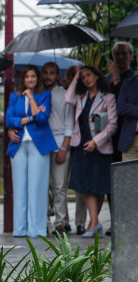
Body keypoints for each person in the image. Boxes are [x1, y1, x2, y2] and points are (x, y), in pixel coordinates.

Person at [65, 65, 117, 237]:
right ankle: (94, 223)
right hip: (81, 145)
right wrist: (75, 77)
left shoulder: (108, 97)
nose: (86, 79)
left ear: (96, 75)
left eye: (89, 75)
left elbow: (112, 124)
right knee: (86, 186)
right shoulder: (80, 97)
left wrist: (96, 141)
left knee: (99, 186)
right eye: (83, 77)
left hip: (100, 147)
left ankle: (94, 223)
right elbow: (67, 96)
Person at [6, 66, 57, 238]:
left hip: (39, 145)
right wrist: (29, 118)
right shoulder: (14, 96)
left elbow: (42, 119)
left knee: (37, 188)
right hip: (18, 144)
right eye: (27, 76)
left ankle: (37, 230)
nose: (30, 79)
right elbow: (8, 119)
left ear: (38, 78)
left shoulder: (45, 95)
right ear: (23, 79)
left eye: (33, 76)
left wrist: (31, 99)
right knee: (19, 189)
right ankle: (20, 229)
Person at [40, 62, 75, 236]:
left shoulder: (64, 95)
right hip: (41, 145)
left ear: (58, 75)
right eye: (45, 73)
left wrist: (64, 147)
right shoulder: (37, 94)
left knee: (60, 186)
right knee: (42, 185)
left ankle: (60, 222)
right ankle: (44, 220)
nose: (48, 76)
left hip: (60, 143)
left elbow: (70, 123)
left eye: (52, 73)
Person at [105, 41, 134, 236]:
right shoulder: (107, 79)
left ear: (131, 56)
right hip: (111, 138)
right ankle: (115, 220)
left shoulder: (133, 78)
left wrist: (117, 78)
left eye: (124, 53)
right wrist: (113, 78)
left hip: (129, 135)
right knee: (114, 181)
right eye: (117, 54)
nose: (121, 57)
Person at [63, 64, 86, 234]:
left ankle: (80, 222)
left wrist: (78, 78)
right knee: (60, 185)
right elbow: (67, 96)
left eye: (75, 74)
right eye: (70, 74)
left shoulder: (81, 95)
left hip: (78, 143)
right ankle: (63, 221)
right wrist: (74, 79)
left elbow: (71, 97)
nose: (72, 77)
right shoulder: (64, 92)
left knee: (79, 186)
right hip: (63, 143)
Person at [117, 73, 138, 161]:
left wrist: (131, 108)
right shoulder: (128, 83)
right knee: (128, 174)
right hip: (130, 140)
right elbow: (121, 108)